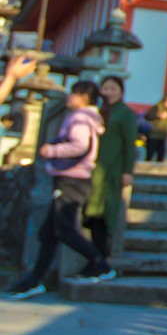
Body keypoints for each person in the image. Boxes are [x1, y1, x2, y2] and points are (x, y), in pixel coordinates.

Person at [7, 78, 115, 297]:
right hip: (73, 178)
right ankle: (35, 278)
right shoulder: (88, 117)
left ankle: (99, 262)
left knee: (64, 229)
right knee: (49, 233)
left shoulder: (81, 117)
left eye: (73, 93)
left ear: (84, 97)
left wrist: (52, 151)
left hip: (71, 178)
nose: (69, 97)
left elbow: (79, 145)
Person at [84, 74, 140, 266]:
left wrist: (127, 171)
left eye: (113, 88)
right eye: (105, 88)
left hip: (112, 170)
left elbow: (129, 144)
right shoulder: (97, 112)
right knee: (90, 214)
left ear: (121, 92)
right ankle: (95, 259)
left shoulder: (125, 114)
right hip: (94, 169)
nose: (108, 92)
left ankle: (101, 260)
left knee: (104, 214)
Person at [142, 94, 167, 163]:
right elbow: (147, 116)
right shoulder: (158, 107)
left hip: (162, 136)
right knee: (149, 156)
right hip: (153, 135)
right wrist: (159, 116)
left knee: (160, 157)